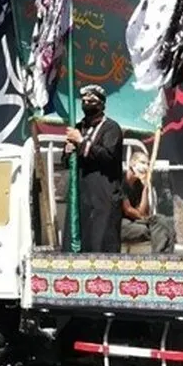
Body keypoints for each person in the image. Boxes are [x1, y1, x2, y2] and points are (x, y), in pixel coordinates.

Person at [64, 84, 124, 253]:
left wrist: (81, 142)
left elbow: (108, 156)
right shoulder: (78, 127)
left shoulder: (111, 128)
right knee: (79, 240)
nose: (87, 104)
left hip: (103, 195)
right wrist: (68, 151)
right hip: (82, 195)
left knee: (101, 243)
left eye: (91, 101)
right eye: (84, 101)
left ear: (101, 104)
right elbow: (68, 162)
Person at [120, 152, 175, 253]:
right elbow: (128, 210)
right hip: (122, 223)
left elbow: (142, 211)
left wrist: (145, 187)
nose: (145, 167)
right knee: (144, 230)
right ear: (132, 163)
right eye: (142, 162)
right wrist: (143, 218)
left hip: (136, 220)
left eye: (147, 164)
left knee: (164, 222)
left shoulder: (138, 184)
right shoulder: (121, 182)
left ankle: (162, 256)